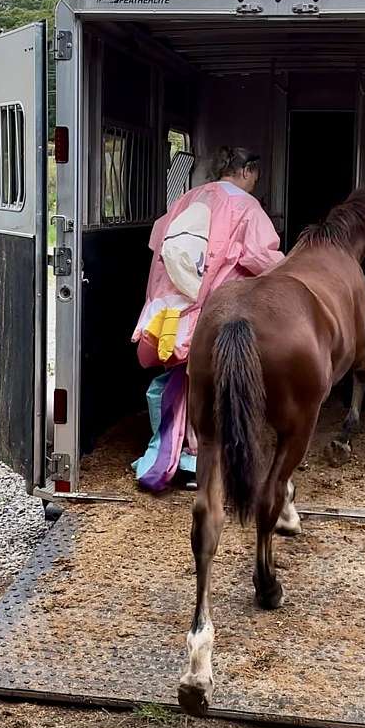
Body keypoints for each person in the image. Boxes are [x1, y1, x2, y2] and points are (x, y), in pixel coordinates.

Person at [131, 147, 284, 492]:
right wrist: (291, 272)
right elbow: (260, 257)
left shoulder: (188, 197)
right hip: (214, 312)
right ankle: (199, 461)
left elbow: (159, 241)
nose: (255, 183)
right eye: (256, 176)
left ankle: (170, 454)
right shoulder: (247, 207)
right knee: (214, 385)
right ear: (247, 171)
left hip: (169, 310)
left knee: (173, 382)